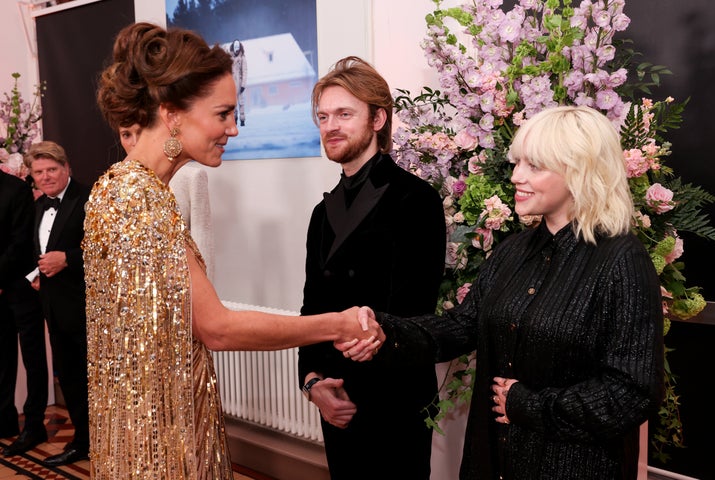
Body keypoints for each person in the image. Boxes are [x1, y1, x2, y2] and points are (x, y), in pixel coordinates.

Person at [86, 22, 382, 479]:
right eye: (223, 113)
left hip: (152, 424)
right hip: (161, 440)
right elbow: (217, 328)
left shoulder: (120, 189)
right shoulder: (138, 199)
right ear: (172, 114)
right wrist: (338, 323)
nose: (234, 129)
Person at [347, 105, 665, 480]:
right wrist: (387, 332)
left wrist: (528, 404)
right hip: (493, 460)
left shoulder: (622, 259)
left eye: (534, 166)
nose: (516, 176)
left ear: (580, 172)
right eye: (517, 163)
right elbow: (461, 326)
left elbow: (633, 392)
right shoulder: (513, 250)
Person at [298, 56, 446, 480]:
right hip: (334, 399)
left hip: (394, 401)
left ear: (378, 118)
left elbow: (415, 311)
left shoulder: (416, 200)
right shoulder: (320, 215)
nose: (331, 126)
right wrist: (313, 384)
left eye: (345, 114)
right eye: (323, 116)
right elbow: (311, 308)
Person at [21, 141, 91, 466]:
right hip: (55, 307)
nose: (46, 177)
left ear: (67, 169)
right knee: (72, 379)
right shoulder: (38, 206)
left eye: (52, 169)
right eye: (39, 172)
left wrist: (69, 259)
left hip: (88, 308)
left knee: (94, 380)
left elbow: (110, 250)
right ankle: (83, 441)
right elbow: (42, 247)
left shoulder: (89, 198)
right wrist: (37, 272)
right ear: (32, 176)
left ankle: (106, 440)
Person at [119, 124, 215, 279]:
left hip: (183, 287)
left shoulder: (190, 177)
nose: (134, 142)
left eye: (140, 133)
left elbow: (202, 244)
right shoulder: (116, 184)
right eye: (126, 135)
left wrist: (206, 295)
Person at [0, 170, 49, 457]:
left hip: (21, 287)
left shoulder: (16, 189)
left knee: (33, 358)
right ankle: (5, 420)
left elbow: (20, 243)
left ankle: (34, 424)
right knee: (1, 357)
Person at [230, 39, 247, 127]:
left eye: (238, 49)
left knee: (241, 102)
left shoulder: (242, 58)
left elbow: (245, 71)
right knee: (233, 103)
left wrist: (243, 85)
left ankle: (242, 120)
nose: (236, 51)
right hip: (232, 84)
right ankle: (235, 119)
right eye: (235, 48)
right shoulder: (230, 59)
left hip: (239, 84)